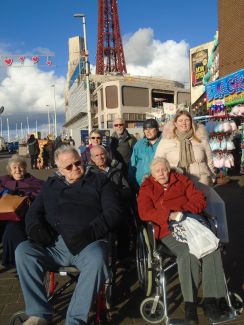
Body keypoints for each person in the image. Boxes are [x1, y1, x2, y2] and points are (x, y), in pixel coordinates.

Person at [15, 145, 122, 325]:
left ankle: (74, 320)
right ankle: (39, 314)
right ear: (59, 169)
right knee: (23, 251)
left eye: (78, 163)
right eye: (69, 166)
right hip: (54, 244)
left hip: (89, 243)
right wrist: (36, 229)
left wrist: (89, 233)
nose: (75, 168)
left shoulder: (100, 181)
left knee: (97, 260)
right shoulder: (50, 185)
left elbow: (114, 212)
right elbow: (33, 212)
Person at [137, 157, 231, 325]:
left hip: (190, 224)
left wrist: (184, 212)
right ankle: (190, 306)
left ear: (169, 169)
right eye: (157, 171)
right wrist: (168, 215)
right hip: (166, 230)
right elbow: (144, 212)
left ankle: (212, 302)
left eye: (164, 169)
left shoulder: (181, 180)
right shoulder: (147, 187)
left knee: (212, 248)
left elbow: (199, 200)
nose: (162, 173)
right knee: (187, 253)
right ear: (152, 174)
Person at [88, 145, 132, 261]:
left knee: (124, 224)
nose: (100, 157)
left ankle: (123, 258)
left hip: (117, 207)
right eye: (96, 155)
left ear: (106, 155)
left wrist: (116, 195)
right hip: (98, 209)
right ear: (92, 158)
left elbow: (127, 190)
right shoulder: (89, 174)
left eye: (102, 154)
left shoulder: (116, 171)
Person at [0, 155, 43, 266]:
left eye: (21, 167)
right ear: (10, 170)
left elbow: (39, 194)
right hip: (2, 214)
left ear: (25, 168)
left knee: (12, 230)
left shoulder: (33, 182)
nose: (18, 170)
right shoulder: (3, 180)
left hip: (21, 216)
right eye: (14, 167)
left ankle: (14, 262)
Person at [155, 110, 215, 186]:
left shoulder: (201, 139)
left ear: (191, 122)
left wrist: (212, 178)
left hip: (201, 183)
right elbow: (157, 163)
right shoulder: (166, 141)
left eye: (187, 120)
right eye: (180, 120)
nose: (184, 123)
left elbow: (210, 161)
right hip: (176, 183)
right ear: (175, 124)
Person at [129, 118, 161, 191]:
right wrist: (131, 181)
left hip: (159, 183)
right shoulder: (139, 144)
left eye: (150, 128)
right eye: (145, 129)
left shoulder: (163, 143)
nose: (148, 131)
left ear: (157, 129)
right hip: (140, 184)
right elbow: (133, 163)